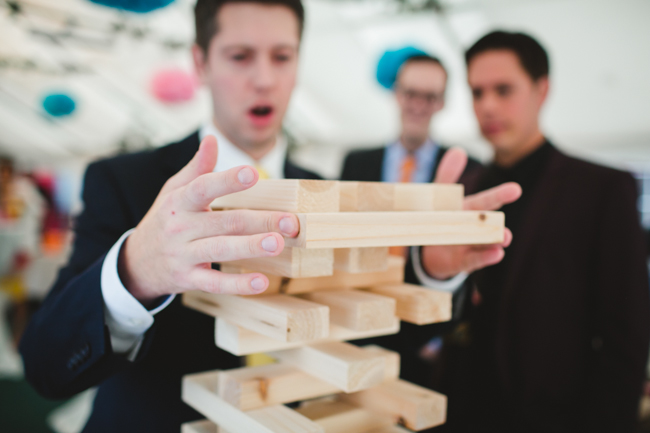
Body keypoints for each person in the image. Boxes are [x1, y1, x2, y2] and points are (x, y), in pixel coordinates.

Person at [18, 2, 518, 432]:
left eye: (282, 57)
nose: (264, 78)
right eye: (240, 56)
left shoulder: (328, 189)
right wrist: (134, 270)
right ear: (200, 62)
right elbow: (45, 363)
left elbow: (371, 337)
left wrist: (431, 270)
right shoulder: (125, 181)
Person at [439, 31, 650, 433]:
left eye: (503, 89)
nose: (487, 105)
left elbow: (627, 336)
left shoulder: (601, 188)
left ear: (542, 89)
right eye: (477, 92)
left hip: (553, 414)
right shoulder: (465, 188)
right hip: (462, 406)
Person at [341, 48, 480, 184]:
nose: (418, 106)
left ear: (442, 102)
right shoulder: (355, 164)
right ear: (396, 94)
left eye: (430, 97)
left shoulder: (469, 171)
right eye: (410, 94)